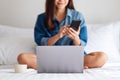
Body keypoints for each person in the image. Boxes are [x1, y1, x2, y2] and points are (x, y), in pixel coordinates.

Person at [17, 0, 107, 70]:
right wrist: (58, 35)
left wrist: (75, 38)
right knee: (22, 58)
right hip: (50, 58)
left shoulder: (78, 16)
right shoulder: (41, 18)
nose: (61, 0)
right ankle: (70, 67)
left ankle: (57, 67)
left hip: (73, 58)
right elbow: (40, 43)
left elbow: (82, 44)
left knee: (102, 57)